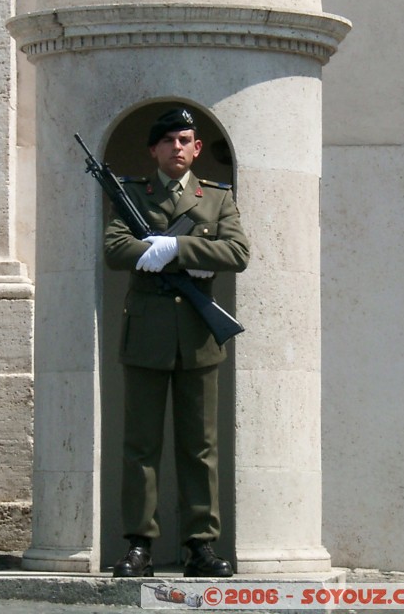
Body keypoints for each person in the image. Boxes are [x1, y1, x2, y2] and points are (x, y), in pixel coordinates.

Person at [104, 107, 249, 578]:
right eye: (168, 141)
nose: (178, 148)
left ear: (198, 147)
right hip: (146, 334)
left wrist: (174, 249)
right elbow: (115, 250)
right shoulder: (133, 195)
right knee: (141, 446)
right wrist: (180, 254)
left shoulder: (216, 199)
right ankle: (139, 544)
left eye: (186, 139)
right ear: (154, 149)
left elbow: (238, 252)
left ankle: (200, 546)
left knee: (199, 448)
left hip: (198, 336)